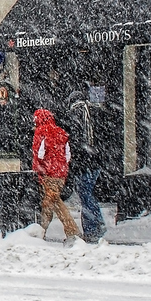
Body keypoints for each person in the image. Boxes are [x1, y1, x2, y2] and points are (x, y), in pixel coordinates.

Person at [31, 108, 81, 244]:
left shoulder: (41, 132)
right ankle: (41, 232)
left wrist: (38, 169)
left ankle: (72, 232)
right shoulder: (61, 132)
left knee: (54, 203)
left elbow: (39, 154)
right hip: (60, 174)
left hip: (47, 173)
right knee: (50, 203)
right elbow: (68, 155)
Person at [67, 90, 107, 243]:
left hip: (84, 163)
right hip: (95, 161)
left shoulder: (75, 114)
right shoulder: (94, 111)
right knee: (88, 193)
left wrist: (75, 161)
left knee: (85, 195)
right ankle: (94, 226)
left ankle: (94, 227)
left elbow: (76, 142)